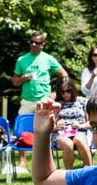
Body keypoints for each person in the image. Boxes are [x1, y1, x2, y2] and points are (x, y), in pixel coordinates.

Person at [11, 31, 68, 173]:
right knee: (21, 129)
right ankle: (22, 161)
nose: (33, 45)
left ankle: (46, 159)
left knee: (46, 130)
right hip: (27, 100)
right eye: (31, 42)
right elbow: (15, 81)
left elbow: (63, 74)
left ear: (43, 45)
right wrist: (23, 78)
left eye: (37, 42)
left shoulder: (48, 59)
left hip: (44, 99)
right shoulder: (22, 60)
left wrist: (55, 93)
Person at [52, 78, 92, 169]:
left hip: (79, 131)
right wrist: (55, 126)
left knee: (79, 140)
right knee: (68, 143)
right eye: (62, 92)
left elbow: (91, 122)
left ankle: (90, 170)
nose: (65, 94)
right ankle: (69, 173)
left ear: (73, 90)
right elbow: (48, 126)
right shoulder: (56, 104)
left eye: (68, 91)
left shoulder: (83, 101)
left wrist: (80, 125)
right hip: (60, 133)